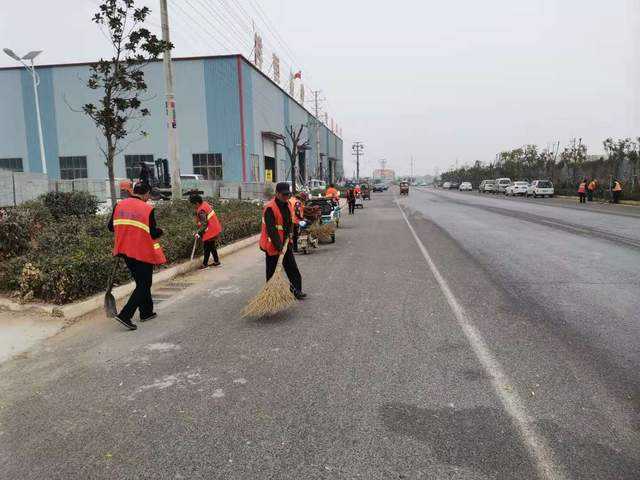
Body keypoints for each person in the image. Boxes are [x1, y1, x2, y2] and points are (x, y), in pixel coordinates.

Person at [108, 182, 166, 331]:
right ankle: (125, 315)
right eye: (148, 195)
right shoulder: (147, 209)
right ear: (146, 193)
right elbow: (152, 233)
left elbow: (110, 227)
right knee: (144, 284)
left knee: (141, 282)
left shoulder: (119, 205)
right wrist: (160, 231)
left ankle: (146, 312)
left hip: (124, 251)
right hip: (141, 251)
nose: (148, 198)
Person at [260, 182, 306, 299]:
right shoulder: (270, 208)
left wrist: (288, 240)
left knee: (292, 268)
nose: (286, 197)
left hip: (285, 243)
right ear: (277, 194)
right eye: (284, 195)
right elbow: (271, 230)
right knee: (272, 271)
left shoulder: (288, 205)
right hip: (272, 244)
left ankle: (296, 290)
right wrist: (279, 247)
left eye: (288, 195)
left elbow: (290, 222)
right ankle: (271, 294)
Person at [189, 194, 222, 268]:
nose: (193, 207)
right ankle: (216, 261)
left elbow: (204, 224)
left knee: (207, 247)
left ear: (197, 203)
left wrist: (199, 233)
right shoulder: (205, 204)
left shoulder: (201, 211)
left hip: (210, 230)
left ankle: (205, 264)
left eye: (193, 205)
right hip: (215, 227)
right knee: (212, 246)